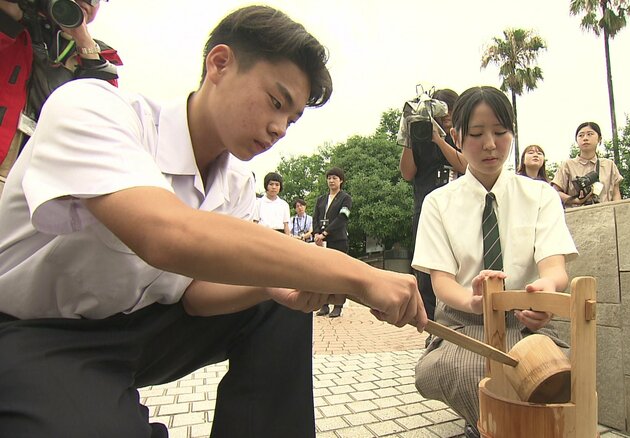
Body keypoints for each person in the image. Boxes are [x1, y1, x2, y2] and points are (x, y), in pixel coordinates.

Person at [0, 6, 426, 437]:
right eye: (276, 102)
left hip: (142, 330)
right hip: (36, 335)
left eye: (292, 119)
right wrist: (354, 273)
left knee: (282, 294)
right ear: (219, 64)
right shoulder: (95, 109)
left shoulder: (237, 184)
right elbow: (167, 235)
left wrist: (269, 285)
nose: (279, 127)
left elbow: (195, 296)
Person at [412, 86, 578, 437]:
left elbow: (554, 268)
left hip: (527, 323)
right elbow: (441, 283)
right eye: (476, 133)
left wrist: (542, 293)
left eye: (500, 132)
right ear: (456, 136)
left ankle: (493, 427)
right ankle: (494, 426)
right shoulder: (438, 203)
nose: (490, 144)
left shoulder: (541, 195)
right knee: (470, 371)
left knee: (557, 372)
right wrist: (473, 301)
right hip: (463, 324)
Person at [0, 0, 121, 197]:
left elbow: (104, 115)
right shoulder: (15, 20)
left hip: (45, 179)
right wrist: (10, 17)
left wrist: (83, 39)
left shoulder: (95, 54)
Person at [400, 88, 468, 321]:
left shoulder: (460, 134)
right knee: (425, 270)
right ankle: (430, 326)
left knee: (460, 264)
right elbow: (407, 173)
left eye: (449, 107)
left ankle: (460, 318)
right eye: (441, 108)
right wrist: (409, 136)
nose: (446, 113)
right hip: (425, 208)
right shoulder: (420, 135)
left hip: (458, 207)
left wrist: (439, 140)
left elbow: (465, 166)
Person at [552, 122, 623, 208]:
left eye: (590, 134)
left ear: (599, 139)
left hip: (606, 213)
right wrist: (575, 200)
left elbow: (616, 194)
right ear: (576, 140)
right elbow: (555, 192)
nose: (585, 138)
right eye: (581, 135)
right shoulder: (567, 165)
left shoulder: (609, 165)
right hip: (576, 215)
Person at [313, 167, 352, 318]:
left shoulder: (345, 198)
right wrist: (317, 233)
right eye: (329, 178)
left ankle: (338, 305)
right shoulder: (321, 199)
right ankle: (323, 305)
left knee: (339, 274)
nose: (331, 181)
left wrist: (325, 233)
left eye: (334, 178)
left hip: (338, 240)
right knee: (322, 274)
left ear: (341, 180)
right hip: (320, 242)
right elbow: (315, 217)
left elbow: (343, 217)